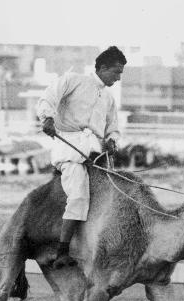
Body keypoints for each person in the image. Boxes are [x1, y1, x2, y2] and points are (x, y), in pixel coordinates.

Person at [36, 45, 126, 269]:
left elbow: (112, 128)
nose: (118, 77)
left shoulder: (108, 98)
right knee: (78, 196)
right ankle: (62, 251)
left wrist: (112, 140)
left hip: (97, 155)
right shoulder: (73, 80)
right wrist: (47, 118)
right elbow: (48, 97)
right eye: (116, 72)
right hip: (70, 151)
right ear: (103, 67)